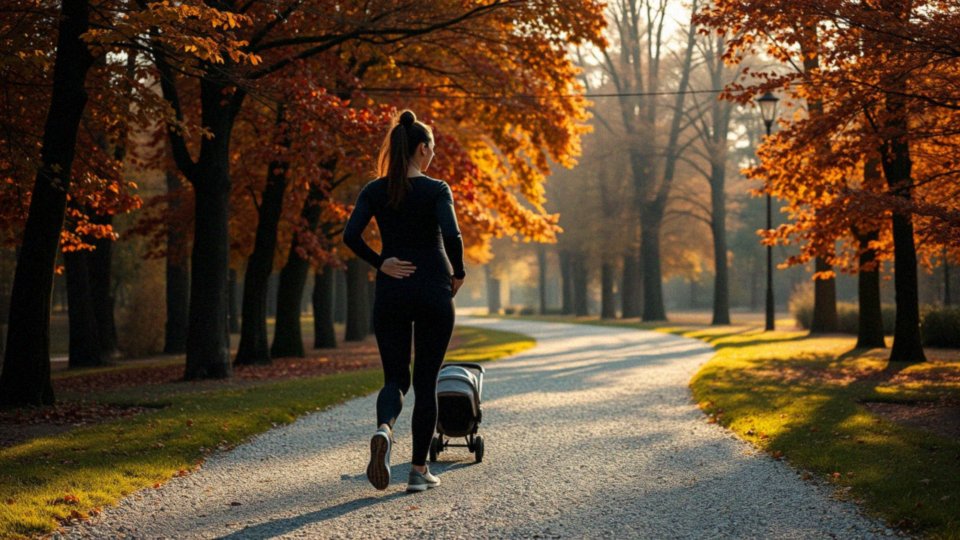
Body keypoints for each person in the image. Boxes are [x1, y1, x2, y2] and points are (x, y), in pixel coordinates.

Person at [343, 109, 466, 493]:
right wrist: (457, 273)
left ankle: (384, 429)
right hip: (433, 288)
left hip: (392, 290)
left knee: (396, 378)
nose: (433, 155)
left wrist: (383, 262)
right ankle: (417, 471)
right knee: (426, 381)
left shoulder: (375, 190)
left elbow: (351, 236)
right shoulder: (437, 189)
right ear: (422, 148)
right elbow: (453, 235)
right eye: (432, 149)